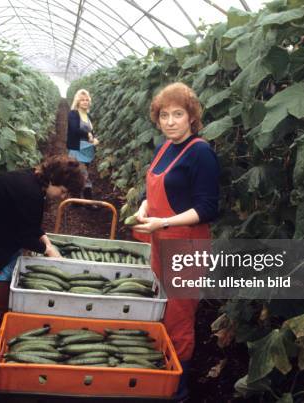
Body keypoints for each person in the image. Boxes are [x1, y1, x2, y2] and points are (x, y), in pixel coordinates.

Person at [131, 82, 220, 401]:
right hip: (161, 241)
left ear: (191, 117)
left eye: (178, 114)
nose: (170, 121)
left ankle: (177, 389)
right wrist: (143, 207)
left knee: (180, 317)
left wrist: (164, 221)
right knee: (163, 307)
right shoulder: (165, 146)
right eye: (164, 115)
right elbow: (151, 189)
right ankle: (160, 371)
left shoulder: (201, 152)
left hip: (186, 245)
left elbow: (209, 207)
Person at [0, 155, 84, 345]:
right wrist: (48, 250)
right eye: (63, 191)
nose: (62, 197)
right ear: (54, 179)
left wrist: (47, 242)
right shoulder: (31, 193)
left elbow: (28, 222)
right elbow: (25, 236)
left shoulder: (31, 179)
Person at [67, 89, 99, 202]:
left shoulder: (88, 115)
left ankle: (75, 200)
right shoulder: (73, 114)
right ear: (78, 102)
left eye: (87, 100)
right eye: (82, 100)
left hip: (86, 149)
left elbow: (92, 131)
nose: (85, 102)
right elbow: (74, 129)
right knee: (83, 174)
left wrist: (94, 138)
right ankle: (88, 201)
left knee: (80, 174)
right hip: (77, 149)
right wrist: (88, 134)